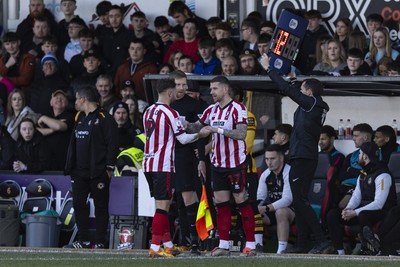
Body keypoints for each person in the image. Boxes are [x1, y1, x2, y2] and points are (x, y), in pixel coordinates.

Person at [260, 54, 330, 254]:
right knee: (299, 201)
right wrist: (292, 78)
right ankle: (302, 243)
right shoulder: (312, 105)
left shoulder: (312, 103)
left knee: (299, 200)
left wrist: (268, 69)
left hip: (304, 157)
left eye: (302, 88)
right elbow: (294, 90)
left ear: (308, 92)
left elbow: (289, 91)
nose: (298, 90)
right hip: (303, 155)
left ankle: (321, 240)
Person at [187, 75, 257, 257]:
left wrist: (217, 130)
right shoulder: (211, 110)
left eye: (214, 89)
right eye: (210, 89)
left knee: (241, 200)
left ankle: (251, 245)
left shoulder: (238, 109)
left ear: (225, 89)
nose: (211, 92)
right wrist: (182, 123)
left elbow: (241, 134)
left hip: (235, 163)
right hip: (217, 163)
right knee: (221, 203)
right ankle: (223, 245)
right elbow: (197, 127)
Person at [143, 79, 208, 258]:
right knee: (163, 207)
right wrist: (200, 133)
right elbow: (183, 139)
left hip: (148, 163)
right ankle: (155, 248)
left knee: (161, 205)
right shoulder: (170, 112)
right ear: (170, 93)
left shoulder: (148, 111)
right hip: (163, 164)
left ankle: (169, 245)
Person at [64, 86, 119, 249]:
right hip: (79, 172)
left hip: (99, 172)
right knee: (79, 204)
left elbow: (113, 144)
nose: (75, 102)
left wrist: (109, 168)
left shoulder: (105, 118)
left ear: (83, 99)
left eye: (76, 99)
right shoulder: (79, 117)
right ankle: (83, 240)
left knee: (101, 206)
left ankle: (101, 241)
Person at [326, 142, 397, 255]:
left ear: (365, 156)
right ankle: (340, 252)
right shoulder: (363, 174)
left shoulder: (383, 175)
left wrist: (355, 212)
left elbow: (379, 204)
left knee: (364, 214)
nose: (357, 156)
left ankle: (369, 248)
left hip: (384, 212)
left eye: (359, 153)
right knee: (333, 215)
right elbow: (356, 197)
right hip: (364, 209)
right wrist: (348, 210)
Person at [169, 71, 207, 254]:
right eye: (178, 84)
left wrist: (201, 159)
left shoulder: (194, 105)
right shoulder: (165, 106)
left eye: (184, 84)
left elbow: (201, 134)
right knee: (168, 199)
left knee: (188, 197)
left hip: (185, 155)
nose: (182, 88)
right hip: (166, 156)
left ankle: (195, 242)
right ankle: (174, 241)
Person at [257, 144, 294, 254]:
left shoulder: (289, 172)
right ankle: (257, 246)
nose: (269, 162)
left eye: (272, 158)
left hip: (292, 211)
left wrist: (266, 208)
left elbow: (288, 199)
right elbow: (260, 197)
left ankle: (281, 251)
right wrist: (258, 208)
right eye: (267, 159)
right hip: (272, 209)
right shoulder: (265, 174)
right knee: (252, 211)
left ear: (281, 158)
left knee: (281, 212)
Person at [338, 123, 374, 208]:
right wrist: (358, 173)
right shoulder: (351, 156)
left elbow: (370, 176)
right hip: (343, 187)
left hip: (363, 189)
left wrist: (350, 170)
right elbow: (341, 176)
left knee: (342, 206)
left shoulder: (377, 155)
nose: (353, 139)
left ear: (365, 137)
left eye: (356, 136)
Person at [36, 90, 73, 171]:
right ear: (51, 103)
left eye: (62, 98)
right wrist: (53, 130)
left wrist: (43, 118)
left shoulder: (70, 116)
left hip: (62, 161)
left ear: (66, 103)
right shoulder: (47, 114)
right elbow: (36, 132)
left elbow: (59, 126)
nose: (59, 99)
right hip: (45, 160)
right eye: (56, 97)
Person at [97, 5, 131, 77]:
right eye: (111, 16)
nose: (114, 20)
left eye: (117, 16)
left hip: (121, 75)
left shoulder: (129, 35)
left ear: (123, 17)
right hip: (104, 74)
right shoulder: (104, 34)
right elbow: (99, 53)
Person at [295, 10, 330, 75]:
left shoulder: (325, 37)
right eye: (308, 20)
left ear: (319, 21)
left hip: (318, 71)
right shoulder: (302, 34)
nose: (309, 23)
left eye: (313, 20)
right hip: (300, 69)